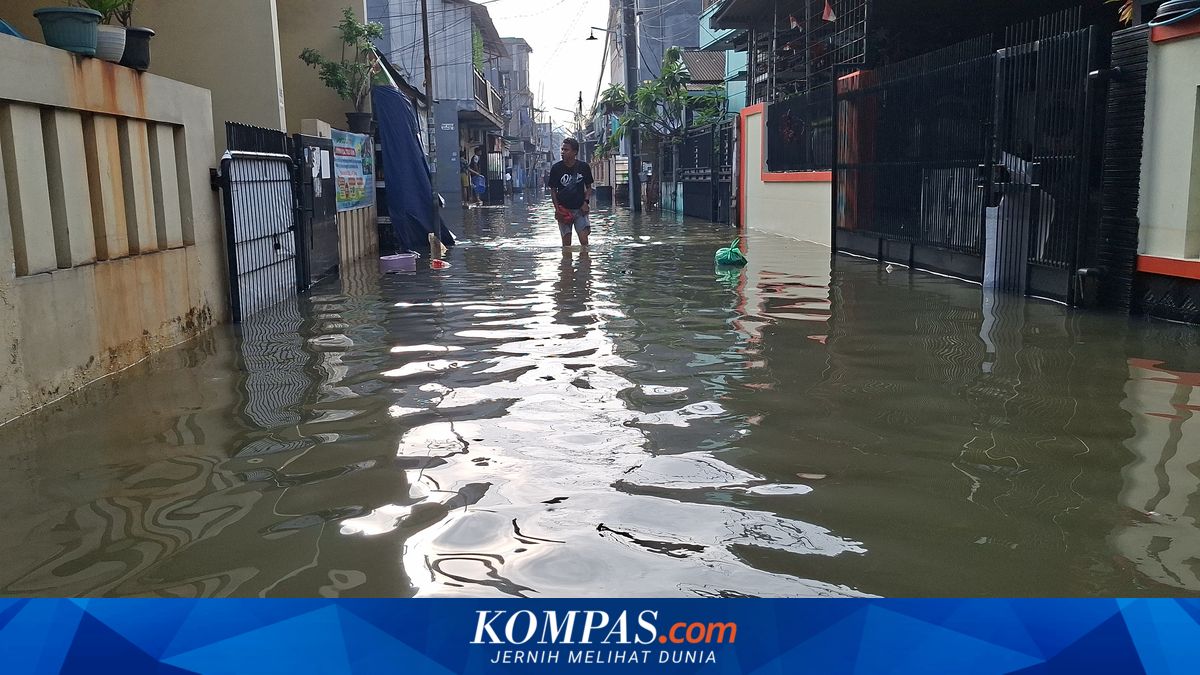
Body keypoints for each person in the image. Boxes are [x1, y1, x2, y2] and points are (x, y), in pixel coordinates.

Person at [548, 138, 594, 247]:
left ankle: (584, 262)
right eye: (562, 149)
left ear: (575, 152)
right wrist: (557, 209)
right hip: (564, 210)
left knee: (584, 241)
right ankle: (566, 264)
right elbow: (553, 191)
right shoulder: (556, 168)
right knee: (566, 245)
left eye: (566, 150)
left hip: (580, 210)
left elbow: (589, 187)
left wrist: (586, 202)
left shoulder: (583, 167)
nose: (563, 152)